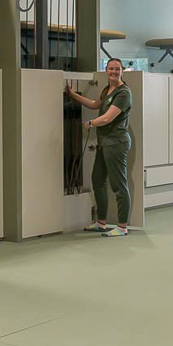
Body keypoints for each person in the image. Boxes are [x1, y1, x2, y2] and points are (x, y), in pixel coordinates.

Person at [64, 58, 133, 236]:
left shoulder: (123, 93)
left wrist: (90, 123)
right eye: (111, 69)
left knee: (118, 184)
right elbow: (95, 104)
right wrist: (73, 95)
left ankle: (122, 227)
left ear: (122, 71)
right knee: (98, 180)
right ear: (106, 70)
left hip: (116, 143)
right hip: (104, 143)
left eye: (117, 69)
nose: (113, 72)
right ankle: (101, 223)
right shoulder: (107, 89)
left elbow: (107, 118)